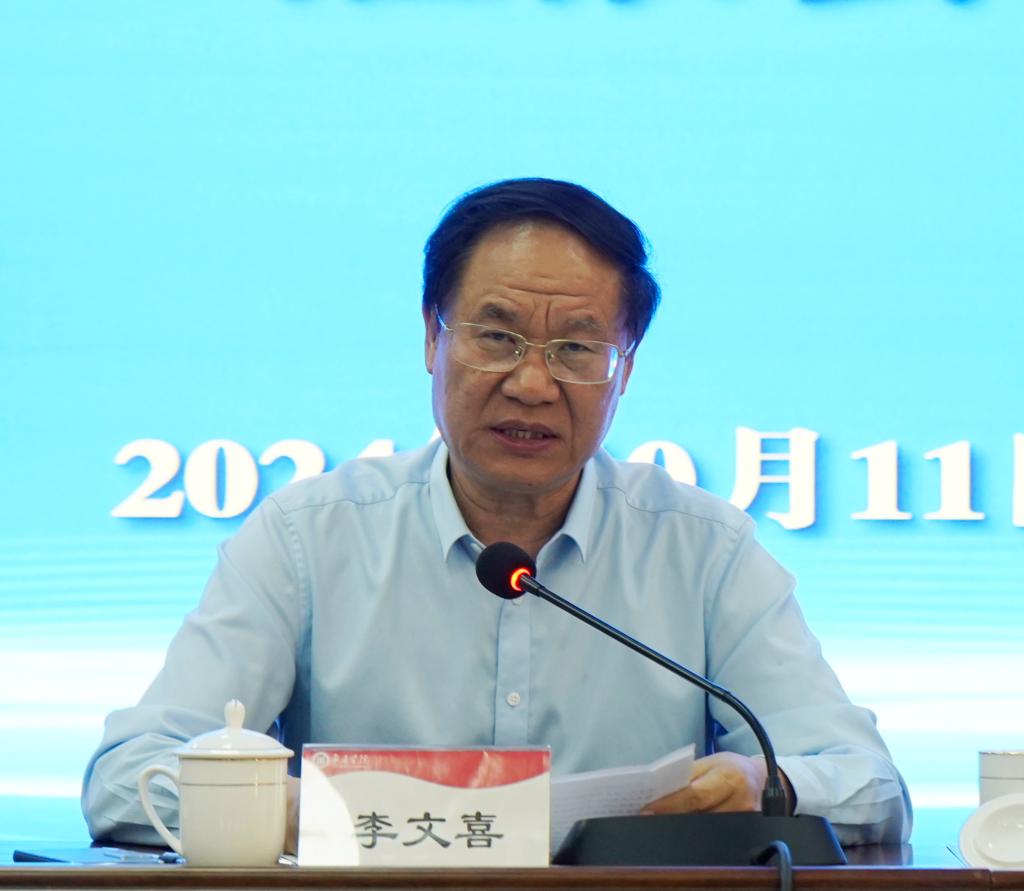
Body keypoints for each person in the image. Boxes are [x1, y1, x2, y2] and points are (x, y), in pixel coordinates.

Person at [83, 178, 911, 848]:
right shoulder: (308, 539)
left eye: (577, 347)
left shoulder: (704, 551)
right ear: (431, 337)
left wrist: (765, 784)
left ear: (625, 369)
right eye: (497, 336)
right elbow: (125, 778)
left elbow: (872, 784)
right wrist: (284, 808)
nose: (532, 383)